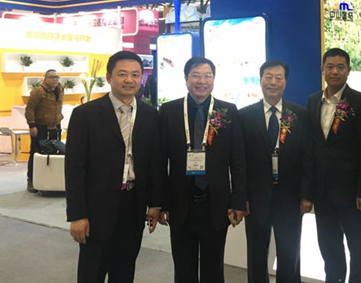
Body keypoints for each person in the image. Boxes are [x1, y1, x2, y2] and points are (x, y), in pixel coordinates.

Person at [65, 51, 164, 283]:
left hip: (133, 204)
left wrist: (155, 202)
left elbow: (155, 163)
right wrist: (77, 215)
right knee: (92, 272)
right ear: (109, 77)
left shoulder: (151, 116)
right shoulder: (85, 115)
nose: (129, 80)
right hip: (96, 207)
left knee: (125, 270)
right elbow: (74, 169)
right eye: (122, 74)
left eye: (135, 75)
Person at [159, 56, 246, 283]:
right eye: (196, 76)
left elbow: (238, 160)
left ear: (214, 79)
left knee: (214, 267)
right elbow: (159, 161)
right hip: (180, 202)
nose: (202, 81)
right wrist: (161, 202)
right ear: (186, 78)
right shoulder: (169, 111)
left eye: (208, 76)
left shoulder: (227, 111)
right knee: (183, 267)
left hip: (215, 203)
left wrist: (238, 200)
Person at [239, 59, 313, 283]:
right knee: (256, 254)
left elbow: (308, 157)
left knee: (290, 253)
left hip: (290, 197)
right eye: (268, 77)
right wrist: (241, 198)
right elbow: (240, 161)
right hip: (256, 198)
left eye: (278, 78)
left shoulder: (300, 114)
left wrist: (306, 195)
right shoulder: (244, 116)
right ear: (260, 80)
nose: (273, 82)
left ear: (285, 82)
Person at [307, 48, 361, 283]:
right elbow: (312, 148)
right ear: (322, 69)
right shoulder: (313, 101)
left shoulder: (360, 102)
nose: (334, 71)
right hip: (322, 192)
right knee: (329, 245)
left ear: (348, 70)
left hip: (352, 193)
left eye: (340, 67)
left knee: (358, 248)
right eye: (330, 67)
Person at [24, 69, 64, 193]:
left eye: (56, 77)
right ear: (45, 79)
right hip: (40, 127)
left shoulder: (60, 90)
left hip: (55, 127)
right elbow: (29, 109)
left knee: (55, 154)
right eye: (51, 77)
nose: (55, 79)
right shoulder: (38, 91)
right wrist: (32, 125)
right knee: (36, 154)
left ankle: (51, 181)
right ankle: (31, 181)